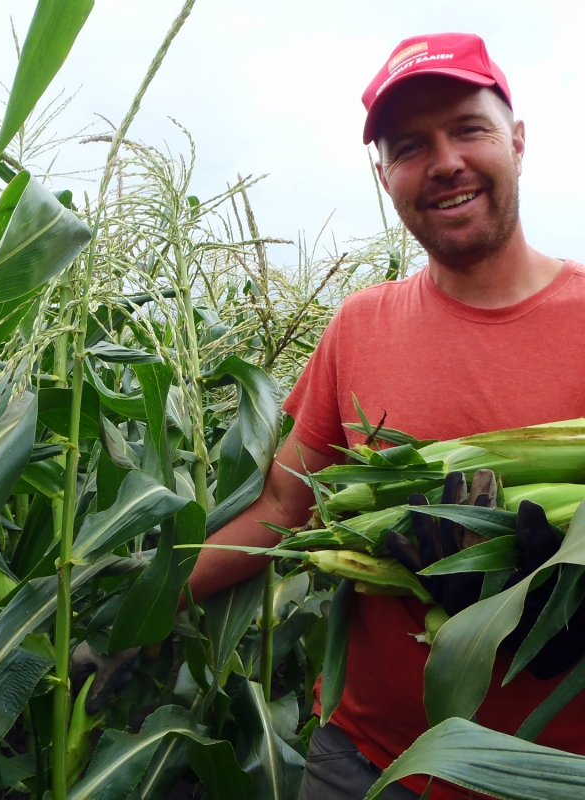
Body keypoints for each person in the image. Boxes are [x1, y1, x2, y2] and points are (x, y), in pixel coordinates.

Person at [186, 32, 585, 800]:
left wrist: (558, 606)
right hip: (364, 764)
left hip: (550, 775)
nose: (443, 162)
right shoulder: (361, 325)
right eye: (409, 146)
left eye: (468, 128)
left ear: (518, 141)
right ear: (384, 176)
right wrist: (137, 604)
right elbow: (281, 510)